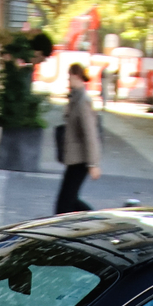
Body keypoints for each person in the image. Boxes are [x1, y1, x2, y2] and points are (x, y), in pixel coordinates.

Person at [55, 62, 102, 213]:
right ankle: (95, 219)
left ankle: (96, 220)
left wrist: (93, 164)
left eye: (69, 78)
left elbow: (90, 134)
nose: (68, 81)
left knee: (65, 203)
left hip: (81, 160)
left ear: (76, 77)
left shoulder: (83, 101)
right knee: (69, 200)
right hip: (74, 159)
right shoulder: (75, 98)